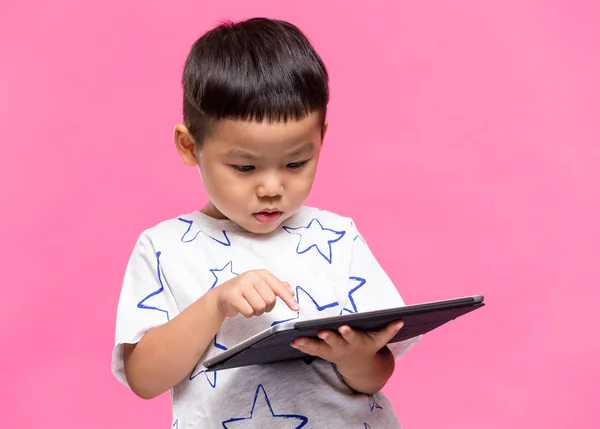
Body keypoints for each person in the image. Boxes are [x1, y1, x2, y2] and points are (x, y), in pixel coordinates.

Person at [111, 17, 420, 428]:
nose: (272, 187)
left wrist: (354, 357)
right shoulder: (165, 247)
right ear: (190, 146)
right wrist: (215, 304)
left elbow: (373, 376)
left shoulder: (337, 236)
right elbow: (144, 379)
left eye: (296, 162)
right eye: (244, 167)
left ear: (320, 139)